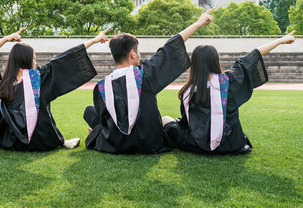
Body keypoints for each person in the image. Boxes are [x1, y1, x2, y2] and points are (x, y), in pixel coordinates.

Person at [83, 10, 214, 154]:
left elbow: (104, 119)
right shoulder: (145, 74)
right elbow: (170, 47)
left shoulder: (101, 86)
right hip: (149, 141)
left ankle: (95, 134)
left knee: (89, 110)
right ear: (133, 53)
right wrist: (198, 23)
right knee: (91, 111)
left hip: (117, 142)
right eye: (137, 51)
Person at [162, 31, 296, 155]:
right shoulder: (229, 82)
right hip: (230, 143)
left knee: (166, 119)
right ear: (215, 61)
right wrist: (280, 41)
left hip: (195, 144)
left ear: (194, 64)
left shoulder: (188, 91)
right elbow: (253, 56)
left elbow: (187, 122)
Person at [0, 29, 110, 151]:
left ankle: (62, 141)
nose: (35, 62)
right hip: (40, 141)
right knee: (40, 104)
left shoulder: (2, 88)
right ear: (25, 60)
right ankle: (62, 141)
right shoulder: (37, 79)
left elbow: (3, 120)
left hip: (11, 142)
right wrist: (94, 40)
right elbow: (64, 59)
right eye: (33, 58)